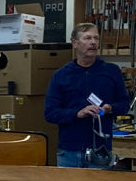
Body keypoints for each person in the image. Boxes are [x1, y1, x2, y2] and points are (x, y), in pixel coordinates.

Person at [44, 23, 130, 168]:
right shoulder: (61, 75)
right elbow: (50, 113)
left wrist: (110, 108)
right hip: (69, 152)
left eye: (96, 38)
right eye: (87, 38)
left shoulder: (111, 72)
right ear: (75, 44)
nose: (93, 42)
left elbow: (124, 104)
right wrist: (78, 113)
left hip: (101, 152)